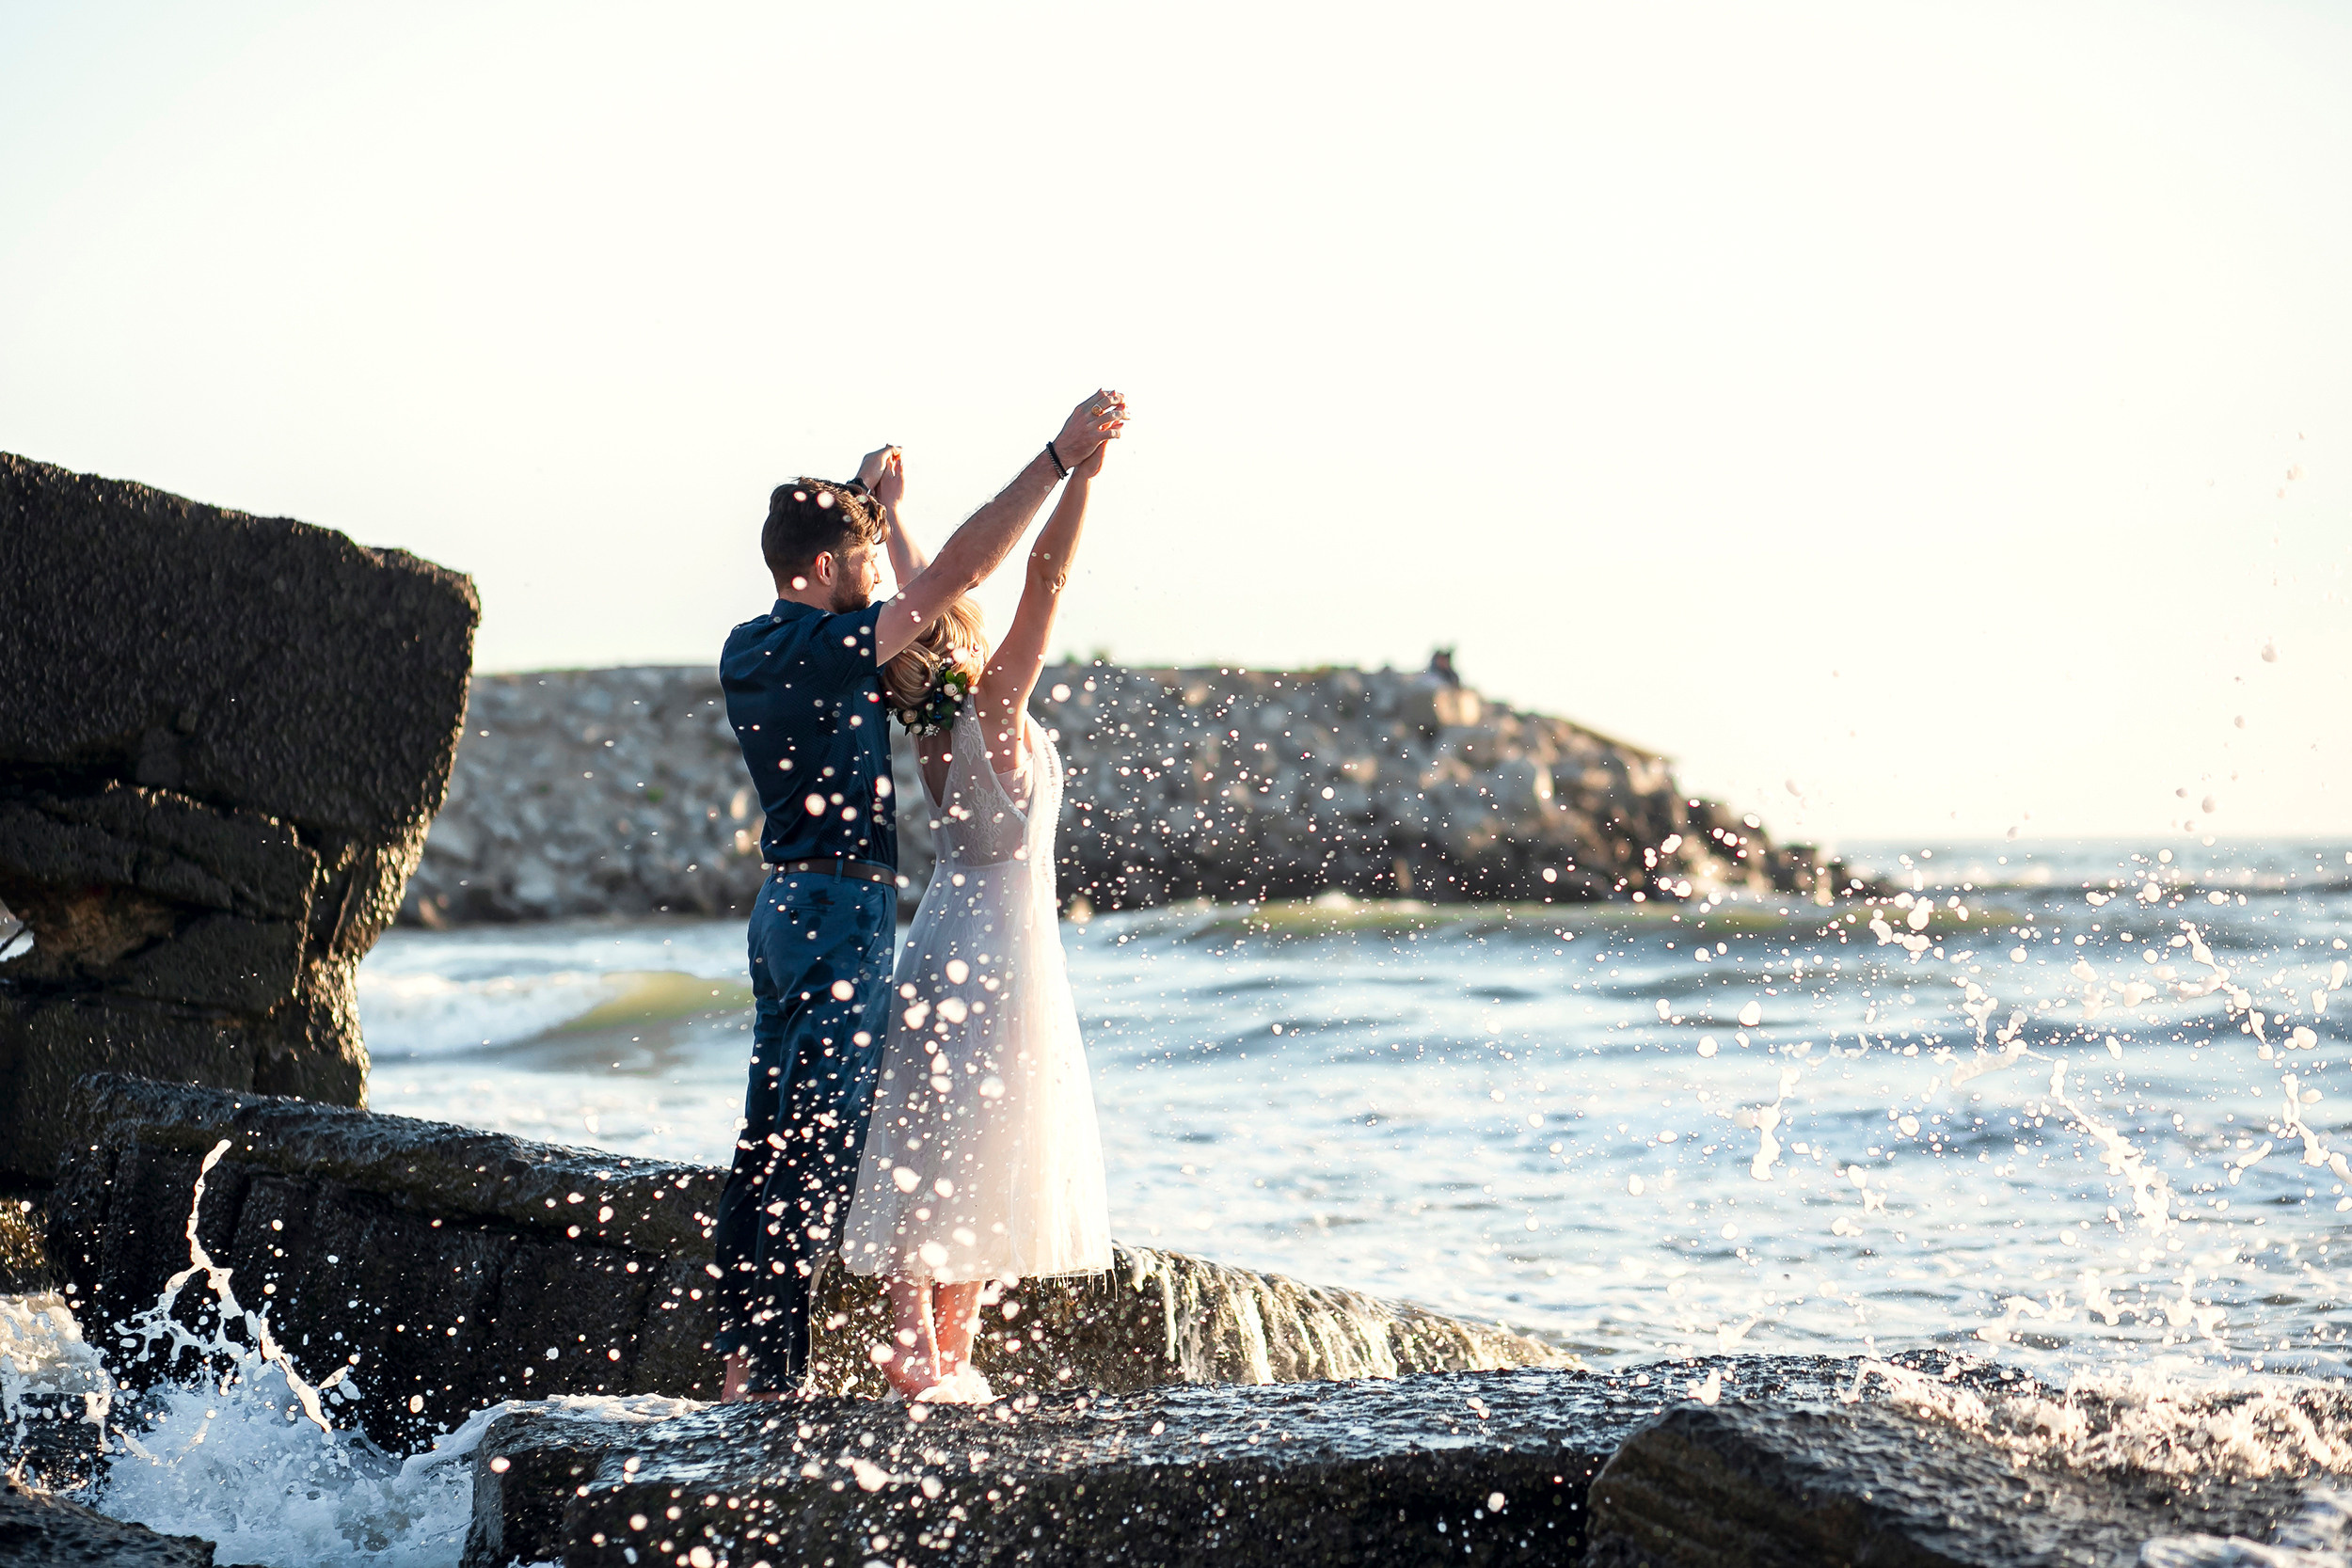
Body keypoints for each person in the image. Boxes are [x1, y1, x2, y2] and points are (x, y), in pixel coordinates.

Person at [712, 391, 1127, 1402]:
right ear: (821, 570)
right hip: (873, 918)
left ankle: (760, 1355)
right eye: (855, 564)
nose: (875, 586)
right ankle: (795, 1371)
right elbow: (999, 576)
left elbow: (927, 589)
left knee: (790, 1131)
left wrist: (873, 505)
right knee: (848, 1135)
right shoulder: (934, 682)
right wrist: (1059, 464)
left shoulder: (757, 650)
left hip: (795, 908)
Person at [839, 436, 1113, 1402]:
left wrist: (892, 508)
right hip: (1005, 954)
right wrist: (1079, 477)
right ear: (961, 645)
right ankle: (938, 1356)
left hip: (945, 937)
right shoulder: (995, 701)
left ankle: (926, 1347)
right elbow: (1046, 577)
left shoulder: (933, 716)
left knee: (929, 1136)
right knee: (981, 1143)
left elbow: (934, 591)